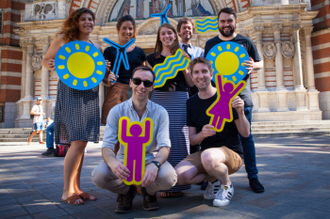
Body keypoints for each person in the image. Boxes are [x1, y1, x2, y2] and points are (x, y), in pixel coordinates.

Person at [42, 8, 110, 205]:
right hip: (70, 92)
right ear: (76, 21)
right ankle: (66, 191)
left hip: (90, 95)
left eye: (91, 19)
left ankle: (77, 188)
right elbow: (47, 60)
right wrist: (56, 66)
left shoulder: (95, 46)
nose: (88, 22)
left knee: (82, 143)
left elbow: (100, 77)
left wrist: (106, 75)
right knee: (77, 141)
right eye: (83, 19)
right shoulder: (64, 39)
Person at [91, 66, 177, 213]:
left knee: (169, 177)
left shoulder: (161, 112)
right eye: (137, 81)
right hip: (123, 160)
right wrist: (113, 163)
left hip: (148, 159)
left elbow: (164, 146)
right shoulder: (117, 111)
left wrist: (155, 164)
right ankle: (126, 191)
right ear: (130, 83)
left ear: (152, 87)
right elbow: (107, 146)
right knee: (98, 175)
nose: (141, 86)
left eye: (147, 83)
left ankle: (148, 191)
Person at [204, 7, 264, 193]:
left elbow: (260, 63)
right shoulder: (211, 43)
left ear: (235, 21)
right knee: (214, 136)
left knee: (246, 137)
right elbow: (207, 71)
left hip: (241, 97)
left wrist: (254, 65)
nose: (226, 24)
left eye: (229, 21)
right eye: (223, 21)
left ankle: (253, 177)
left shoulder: (245, 41)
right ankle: (213, 178)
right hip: (217, 100)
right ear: (218, 22)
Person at [175, 57, 250, 207]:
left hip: (231, 153)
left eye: (204, 71)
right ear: (191, 75)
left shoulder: (226, 97)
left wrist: (241, 112)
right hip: (207, 155)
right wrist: (202, 134)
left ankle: (226, 185)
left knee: (208, 156)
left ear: (211, 73)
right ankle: (214, 180)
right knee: (178, 176)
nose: (200, 76)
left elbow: (245, 133)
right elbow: (193, 140)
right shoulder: (191, 102)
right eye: (196, 72)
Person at [146, 23, 194, 197]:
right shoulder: (151, 59)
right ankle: (161, 184)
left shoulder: (183, 56)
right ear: (159, 37)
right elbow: (149, 84)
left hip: (179, 99)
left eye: (170, 33)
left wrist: (186, 67)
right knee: (160, 140)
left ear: (175, 35)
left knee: (179, 139)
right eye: (163, 33)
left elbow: (190, 83)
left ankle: (178, 184)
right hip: (158, 100)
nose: (167, 36)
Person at [102, 15, 146, 125]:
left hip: (135, 93)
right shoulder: (109, 51)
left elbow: (145, 74)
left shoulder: (139, 52)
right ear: (118, 29)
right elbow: (104, 79)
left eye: (130, 28)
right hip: (115, 93)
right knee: (114, 130)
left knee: (135, 130)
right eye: (124, 28)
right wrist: (108, 77)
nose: (128, 31)